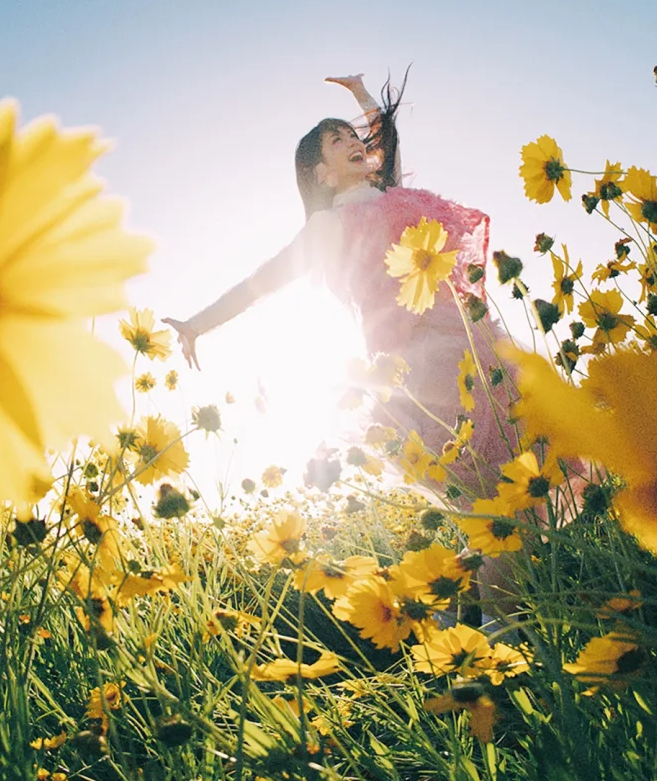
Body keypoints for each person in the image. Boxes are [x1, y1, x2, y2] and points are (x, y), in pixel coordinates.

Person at [165, 75, 523, 502]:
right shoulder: (327, 226)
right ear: (322, 173)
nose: (353, 141)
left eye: (353, 134)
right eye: (337, 140)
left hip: (470, 337)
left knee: (522, 467)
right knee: (483, 492)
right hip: (419, 359)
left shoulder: (392, 194)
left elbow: (386, 137)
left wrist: (361, 94)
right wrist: (195, 325)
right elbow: (257, 284)